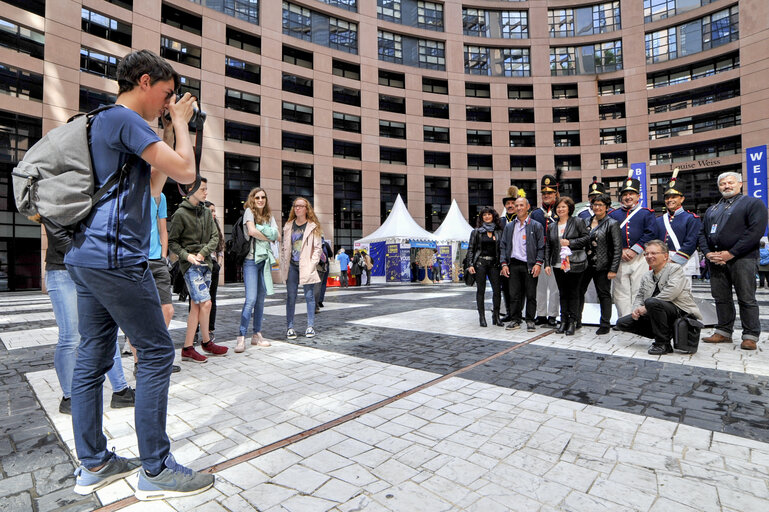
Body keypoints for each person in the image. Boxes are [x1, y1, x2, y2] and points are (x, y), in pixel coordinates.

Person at [62, 49, 213, 499]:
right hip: (117, 259)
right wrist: (183, 125)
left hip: (85, 257)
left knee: (92, 356)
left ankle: (94, 464)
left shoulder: (97, 123)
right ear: (144, 82)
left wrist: (166, 132)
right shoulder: (125, 119)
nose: (167, 104)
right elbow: (188, 171)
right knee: (155, 353)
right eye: (166, 95)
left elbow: (150, 188)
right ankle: (156, 468)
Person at [44, 224, 135, 415]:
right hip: (63, 270)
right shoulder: (56, 196)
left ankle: (121, 391)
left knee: (106, 330)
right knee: (70, 338)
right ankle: (70, 398)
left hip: (93, 268)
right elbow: (58, 233)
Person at [698, 171, 768, 350]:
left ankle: (750, 335)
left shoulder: (753, 203)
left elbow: (755, 232)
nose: (726, 186)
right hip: (716, 260)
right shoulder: (712, 209)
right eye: (722, 184)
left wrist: (731, 253)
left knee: (746, 298)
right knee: (721, 298)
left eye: (730, 182)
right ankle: (723, 332)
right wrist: (707, 254)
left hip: (743, 259)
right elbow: (702, 234)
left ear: (740, 184)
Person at [169, 177, 228, 362]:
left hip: (205, 263)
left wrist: (203, 253)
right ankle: (205, 341)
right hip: (190, 265)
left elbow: (215, 237)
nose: (206, 192)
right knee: (206, 303)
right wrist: (188, 256)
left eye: (206, 189)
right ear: (191, 190)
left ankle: (189, 348)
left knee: (196, 306)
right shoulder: (180, 214)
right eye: (202, 189)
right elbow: (173, 242)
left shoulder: (205, 212)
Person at [616, 240, 702, 355]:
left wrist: (645, 307)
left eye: (654, 253)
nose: (649, 256)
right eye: (646, 254)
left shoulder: (675, 269)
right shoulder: (647, 275)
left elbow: (672, 291)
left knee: (652, 302)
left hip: (679, 311)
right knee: (623, 322)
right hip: (657, 310)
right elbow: (640, 296)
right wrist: (636, 310)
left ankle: (662, 343)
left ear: (665, 256)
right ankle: (665, 332)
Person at [609, 171, 657, 317]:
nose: (628, 197)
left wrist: (635, 250)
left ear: (638, 196)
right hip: (619, 257)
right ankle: (624, 319)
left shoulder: (646, 213)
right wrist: (621, 251)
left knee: (639, 288)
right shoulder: (613, 214)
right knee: (620, 290)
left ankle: (638, 318)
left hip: (640, 257)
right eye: (625, 194)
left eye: (632, 194)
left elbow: (650, 233)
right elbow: (609, 235)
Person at [237, 187, 279, 352]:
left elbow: (278, 235)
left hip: (265, 261)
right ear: (252, 199)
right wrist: (268, 234)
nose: (260, 200)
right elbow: (252, 231)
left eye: (263, 197)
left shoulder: (269, 216)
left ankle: (256, 335)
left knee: (261, 300)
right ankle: (241, 336)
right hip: (251, 261)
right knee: (251, 300)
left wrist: (265, 232)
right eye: (257, 197)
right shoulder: (249, 212)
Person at [543, 197, 590, 335]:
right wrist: (547, 263)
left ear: (569, 208)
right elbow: (548, 246)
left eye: (563, 207)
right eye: (558, 207)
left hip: (574, 263)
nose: (560, 209)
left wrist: (570, 243)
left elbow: (586, 238)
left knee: (573, 293)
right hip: (558, 264)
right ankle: (563, 321)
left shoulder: (577, 222)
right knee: (562, 293)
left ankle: (572, 322)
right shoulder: (552, 226)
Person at [499, 197, 545, 332]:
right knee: (514, 295)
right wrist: (504, 263)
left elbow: (541, 247)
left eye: (521, 205)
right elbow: (503, 246)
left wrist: (538, 263)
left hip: (529, 265)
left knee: (531, 295)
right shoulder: (509, 226)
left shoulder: (536, 226)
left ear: (527, 207)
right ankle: (515, 319)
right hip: (513, 264)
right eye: (516, 205)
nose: (518, 208)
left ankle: (530, 320)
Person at [579, 193, 622, 335]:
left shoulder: (612, 223)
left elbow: (617, 248)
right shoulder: (585, 221)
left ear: (607, 207)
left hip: (603, 265)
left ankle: (605, 323)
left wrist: (613, 268)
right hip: (585, 264)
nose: (597, 207)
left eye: (600, 205)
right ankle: (576, 320)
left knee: (603, 294)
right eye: (595, 204)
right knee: (579, 292)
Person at [281, 197, 322, 339]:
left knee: (309, 296)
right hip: (291, 266)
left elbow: (318, 248)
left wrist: (312, 264)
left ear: (306, 208)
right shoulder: (288, 226)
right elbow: (284, 247)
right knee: (291, 297)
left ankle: (310, 326)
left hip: (306, 266)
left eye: (300, 206)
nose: (297, 208)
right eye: (295, 206)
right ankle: (290, 327)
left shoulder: (312, 226)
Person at [655, 172, 701, 279]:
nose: (670, 200)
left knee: (683, 294)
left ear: (682, 199)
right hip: (662, 261)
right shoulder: (659, 220)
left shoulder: (691, 218)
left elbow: (691, 242)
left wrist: (674, 260)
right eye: (667, 197)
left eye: (674, 197)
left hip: (683, 261)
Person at [530, 175, 560, 327]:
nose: (547, 196)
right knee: (539, 287)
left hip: (555, 255)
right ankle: (541, 314)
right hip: (540, 255)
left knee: (554, 287)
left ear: (555, 193)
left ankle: (553, 315)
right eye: (544, 193)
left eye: (550, 193)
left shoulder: (560, 210)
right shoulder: (535, 213)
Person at [466, 206, 504, 327]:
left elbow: (502, 249)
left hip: (494, 264)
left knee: (497, 291)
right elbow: (471, 249)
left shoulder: (498, 232)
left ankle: (496, 316)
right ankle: (482, 317)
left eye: (489, 214)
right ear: (481, 218)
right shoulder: (476, 232)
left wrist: (503, 264)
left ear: (493, 216)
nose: (487, 216)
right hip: (480, 264)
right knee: (480, 291)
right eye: (484, 215)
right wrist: (470, 264)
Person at [499, 186, 519, 322]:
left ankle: (517, 313)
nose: (510, 206)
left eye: (513, 203)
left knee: (518, 290)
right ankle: (508, 312)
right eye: (508, 203)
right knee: (505, 288)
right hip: (504, 261)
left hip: (518, 259)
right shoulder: (500, 222)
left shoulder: (522, 221)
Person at [315, 237, 334, 312]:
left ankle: (314, 302)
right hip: (324, 266)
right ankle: (320, 300)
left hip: (314, 266)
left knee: (315, 284)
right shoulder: (325, 244)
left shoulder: (312, 242)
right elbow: (331, 254)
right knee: (322, 284)